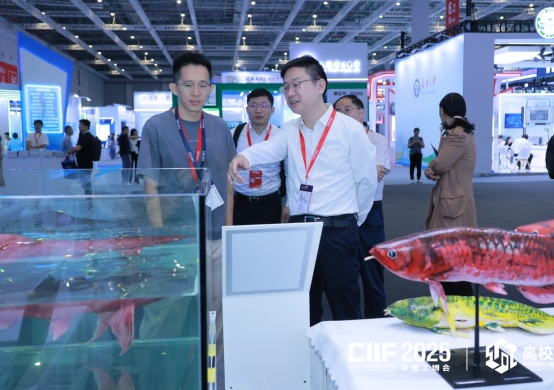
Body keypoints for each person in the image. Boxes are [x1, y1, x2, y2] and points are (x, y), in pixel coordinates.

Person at [228, 55, 376, 326]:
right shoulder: (289, 130)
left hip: (337, 232)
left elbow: (366, 182)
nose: (290, 93)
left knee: (345, 309)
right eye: (286, 87)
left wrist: (352, 221)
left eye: (296, 84)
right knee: (303, 310)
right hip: (299, 232)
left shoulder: (349, 129)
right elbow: (271, 149)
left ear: (320, 85)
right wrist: (245, 156)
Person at [137, 52, 237, 365]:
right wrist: (159, 238)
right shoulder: (156, 127)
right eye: (188, 84)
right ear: (174, 87)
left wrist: (229, 232)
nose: (196, 92)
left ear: (211, 89)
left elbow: (228, 183)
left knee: (218, 311)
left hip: (217, 237)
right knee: (165, 311)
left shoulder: (219, 127)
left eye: (203, 85)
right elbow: (150, 187)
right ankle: (154, 372)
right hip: (176, 237)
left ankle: (211, 372)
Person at [333, 95, 389, 319]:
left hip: (371, 212)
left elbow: (377, 175)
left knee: (372, 272)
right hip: (343, 212)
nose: (343, 115)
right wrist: (364, 171)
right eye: (338, 112)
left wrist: (349, 174)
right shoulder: (335, 141)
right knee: (346, 275)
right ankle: (352, 325)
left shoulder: (377, 140)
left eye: (347, 109)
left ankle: (376, 324)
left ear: (361, 112)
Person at [424, 92, 477, 297]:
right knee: (452, 261)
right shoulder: (463, 132)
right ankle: (457, 306)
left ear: (442, 110)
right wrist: (433, 168)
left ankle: (462, 307)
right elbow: (441, 164)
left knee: (450, 261)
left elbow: (440, 163)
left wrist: (431, 168)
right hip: (455, 201)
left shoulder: (456, 135)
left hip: (453, 205)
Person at [230, 88, 283, 225]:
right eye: (253, 106)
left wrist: (288, 204)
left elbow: (289, 171)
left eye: (264, 105)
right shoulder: (234, 134)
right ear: (247, 109)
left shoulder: (280, 135)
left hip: (270, 203)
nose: (258, 110)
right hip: (241, 202)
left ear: (272, 110)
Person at [68, 119, 95, 195]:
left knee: (86, 183)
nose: (79, 126)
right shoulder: (82, 135)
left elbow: (78, 148)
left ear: (86, 126)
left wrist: (69, 152)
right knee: (84, 182)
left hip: (86, 163)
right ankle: (88, 198)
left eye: (81, 125)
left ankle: (89, 199)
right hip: (83, 163)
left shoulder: (87, 136)